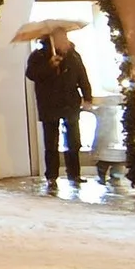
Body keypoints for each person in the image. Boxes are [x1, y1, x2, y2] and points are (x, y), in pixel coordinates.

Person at [25, 30, 92, 187]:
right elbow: (31, 74)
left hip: (70, 103)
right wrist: (49, 66)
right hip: (49, 104)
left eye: (66, 38)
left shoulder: (74, 56)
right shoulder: (39, 56)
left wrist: (87, 96)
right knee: (51, 141)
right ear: (52, 40)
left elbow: (82, 76)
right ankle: (52, 176)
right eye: (62, 38)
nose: (65, 41)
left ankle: (74, 173)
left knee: (74, 141)